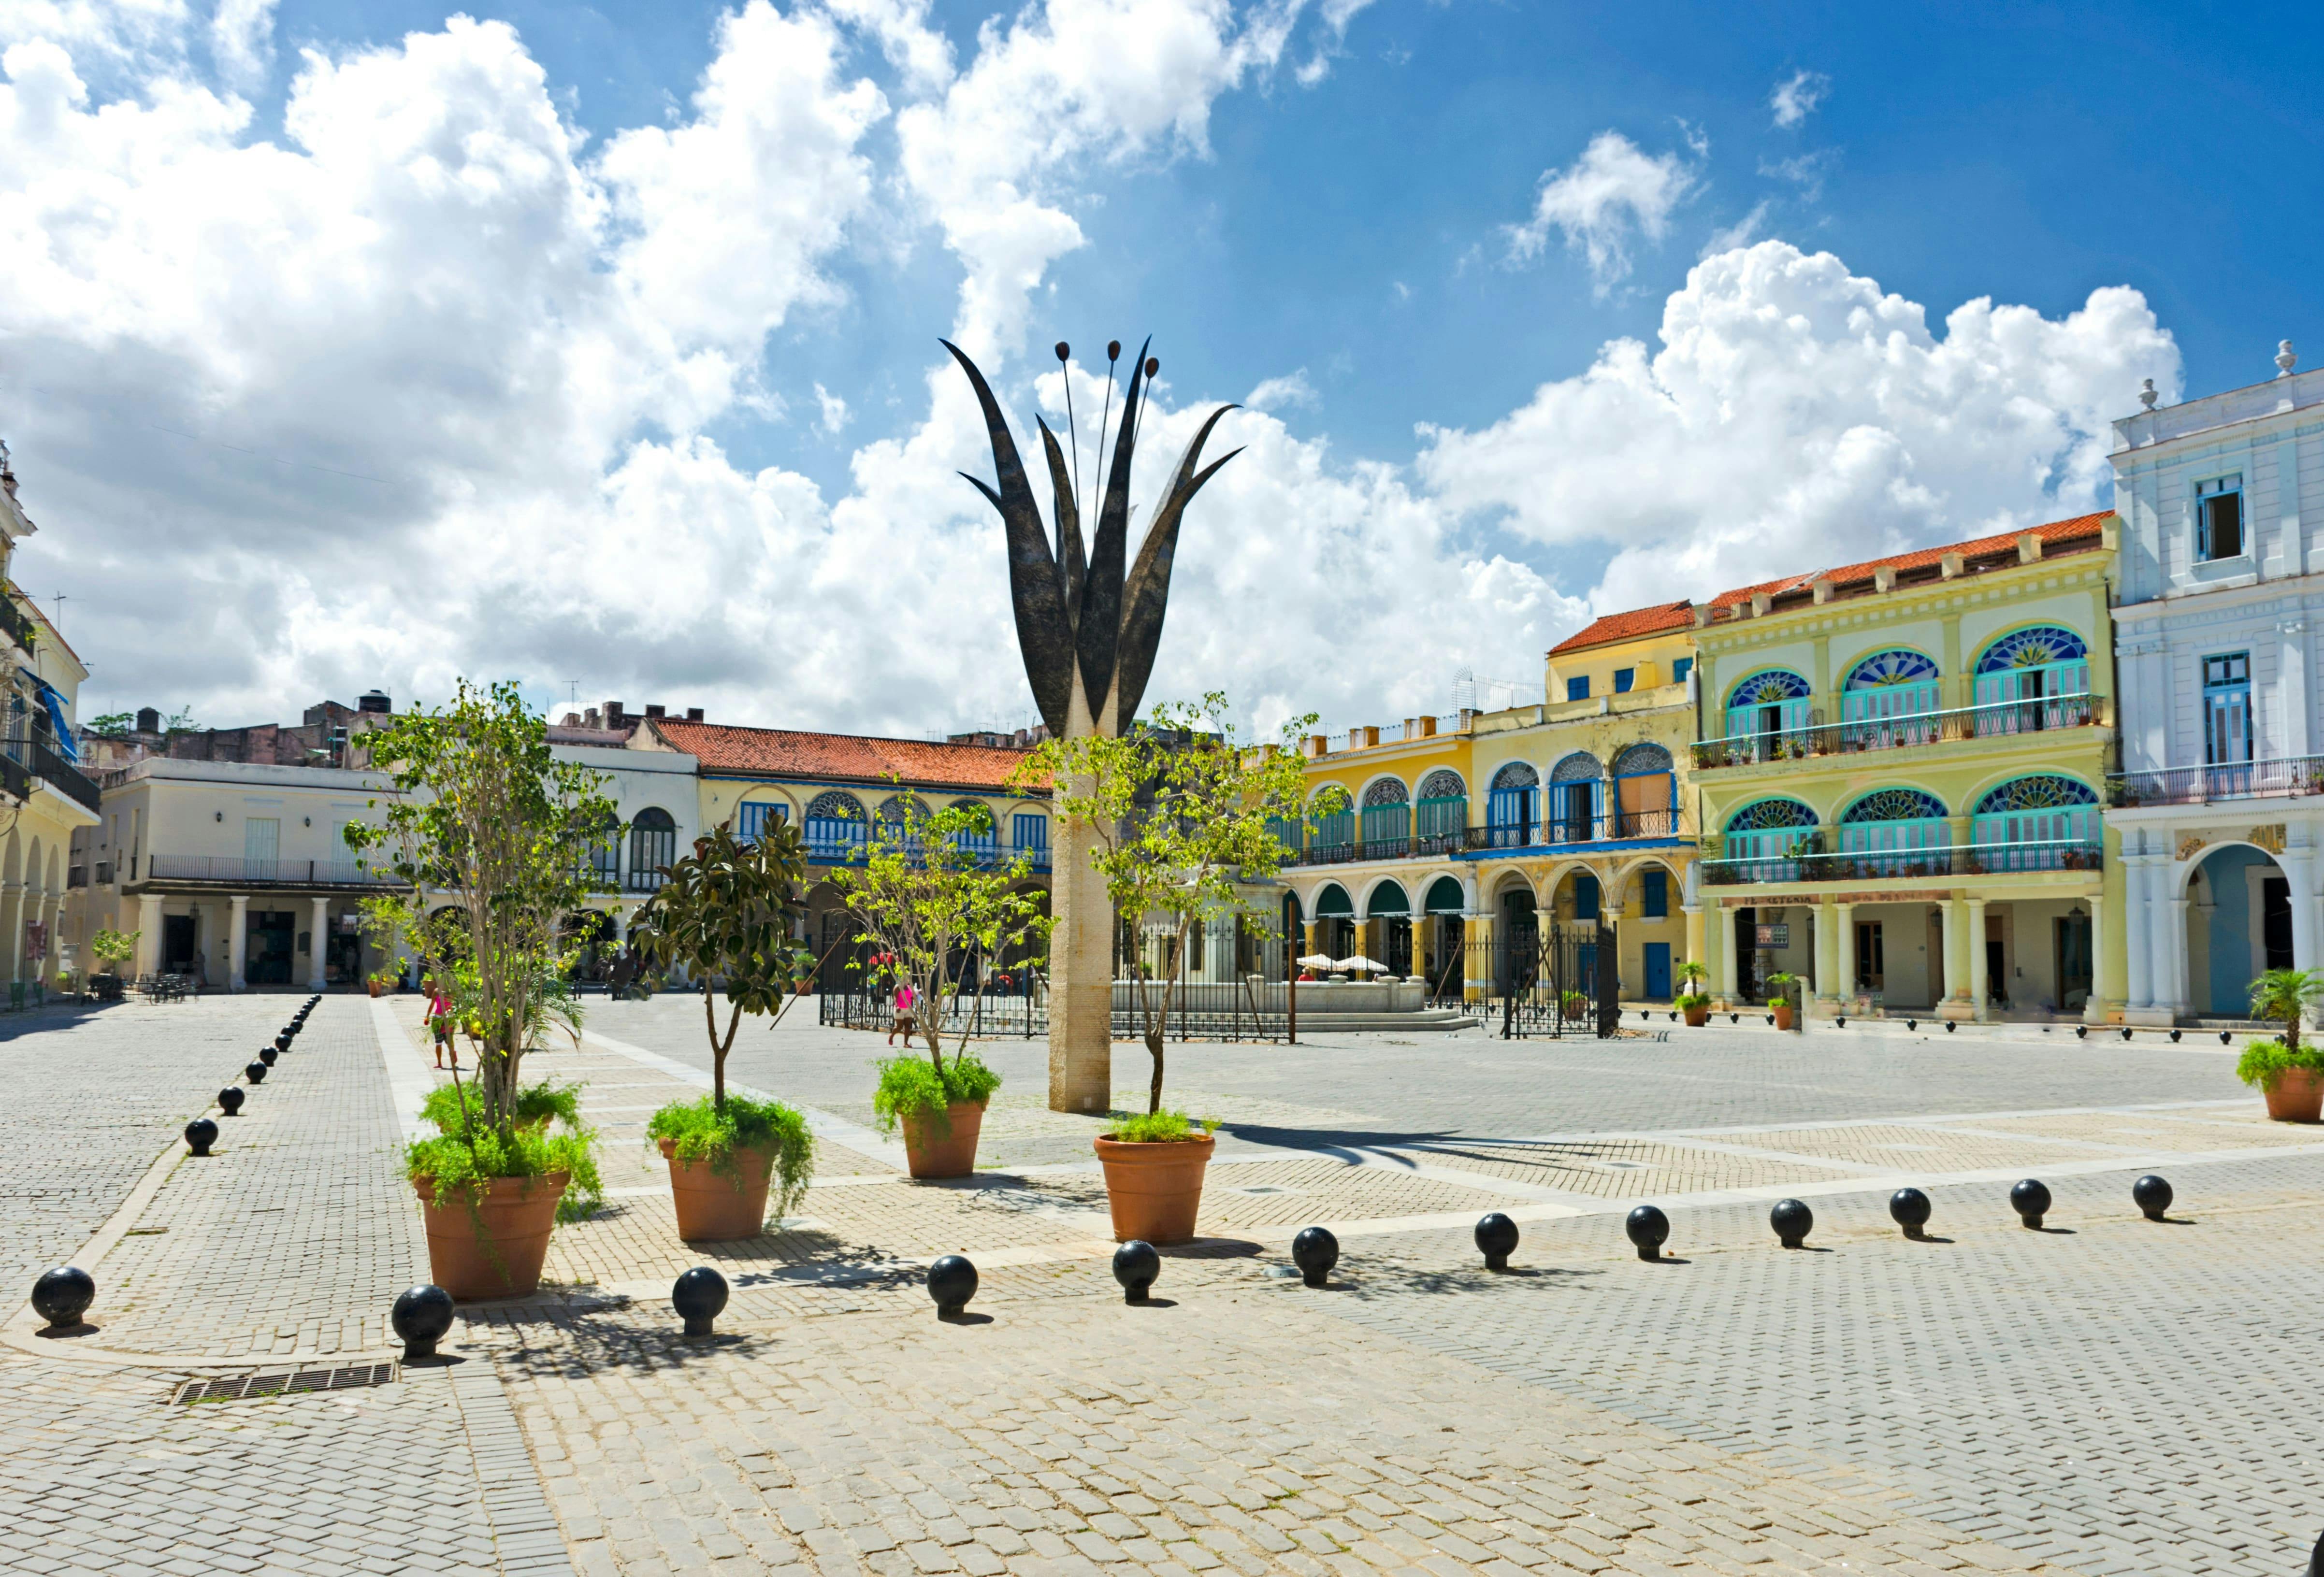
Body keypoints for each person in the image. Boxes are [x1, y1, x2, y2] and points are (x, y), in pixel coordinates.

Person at [424, 976, 457, 1070]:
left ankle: (453, 1054)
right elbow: (432, 1005)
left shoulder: (452, 993)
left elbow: (455, 1007)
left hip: (449, 1019)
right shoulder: (436, 992)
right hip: (437, 1019)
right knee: (438, 1042)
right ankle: (439, 1063)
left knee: (449, 1041)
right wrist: (427, 1016)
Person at [888, 979, 916, 1047]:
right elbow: (895, 997)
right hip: (899, 1009)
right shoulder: (898, 987)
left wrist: (915, 997)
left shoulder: (910, 987)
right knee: (899, 1027)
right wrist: (897, 1006)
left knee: (908, 1026)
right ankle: (891, 1036)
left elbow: (911, 997)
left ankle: (905, 1043)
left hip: (909, 1009)